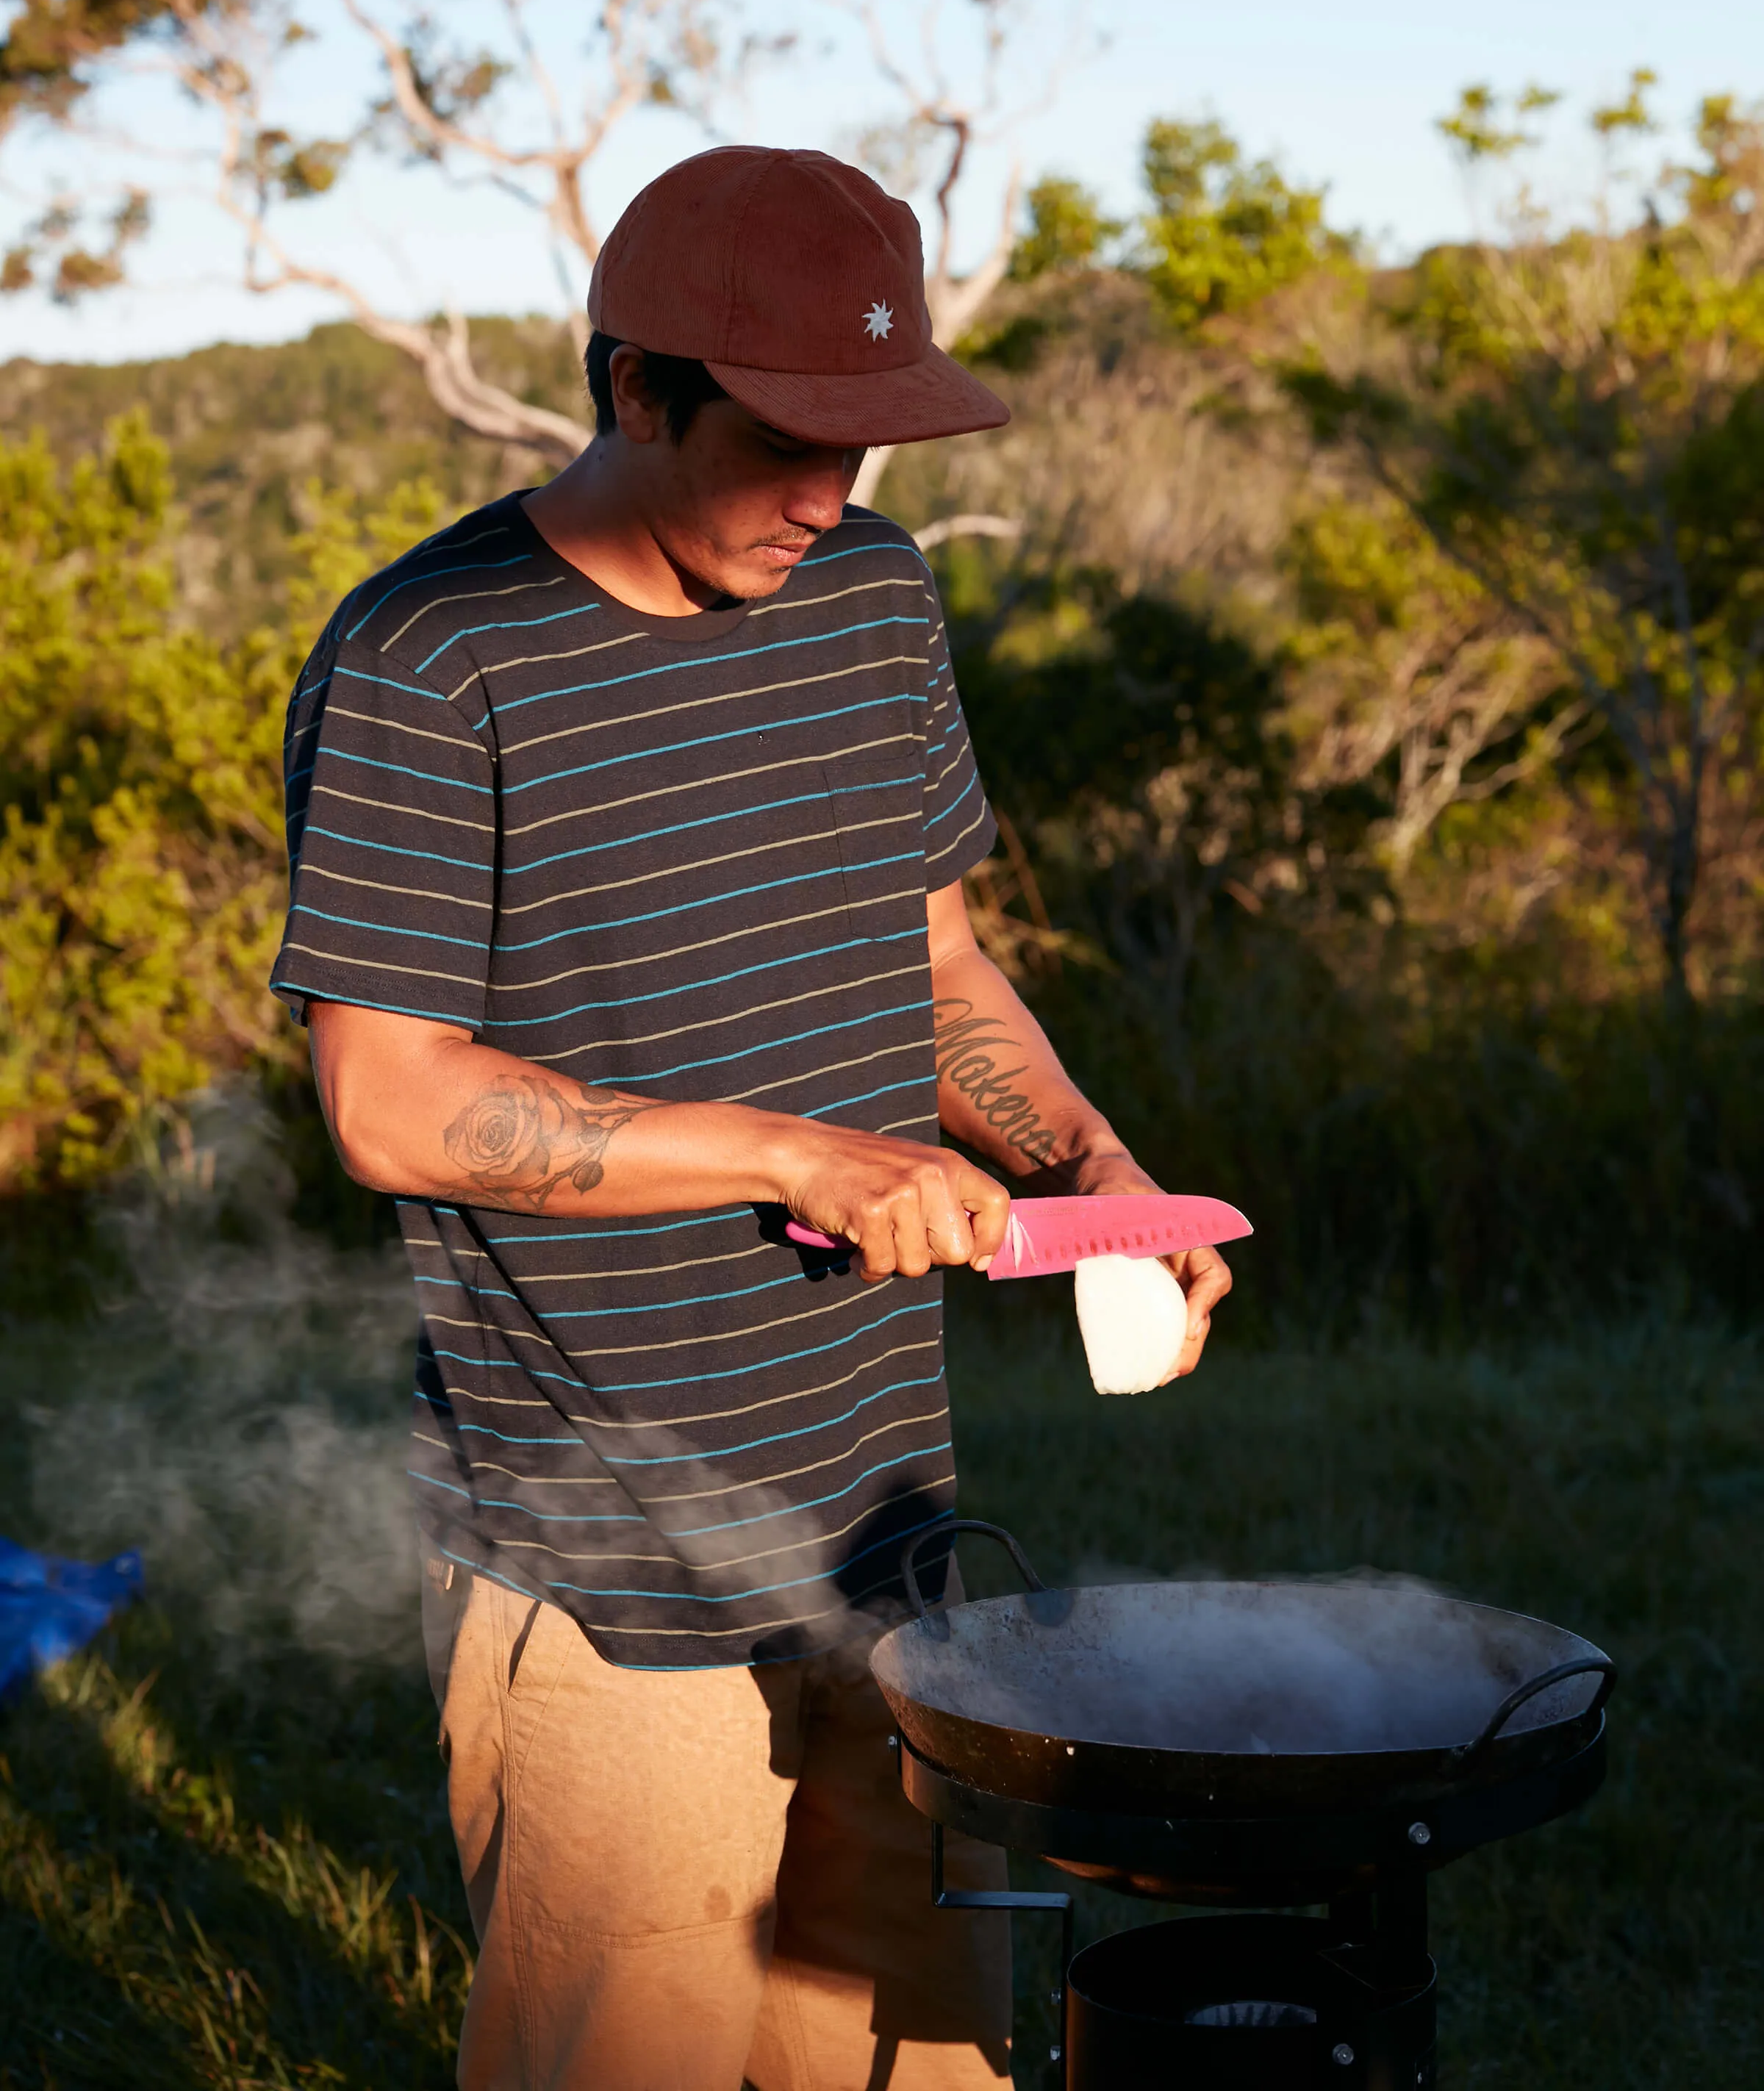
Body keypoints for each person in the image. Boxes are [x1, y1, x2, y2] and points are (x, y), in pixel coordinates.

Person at [271, 145, 1232, 2091]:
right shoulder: (428, 659)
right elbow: (389, 1101)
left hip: (886, 1507)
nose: (828, 497)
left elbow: (938, 963)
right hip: (602, 1546)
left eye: (864, 449)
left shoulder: (869, 591)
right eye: (787, 441)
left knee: (917, 2054)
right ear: (634, 387)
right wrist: (796, 1154)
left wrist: (1094, 1175)